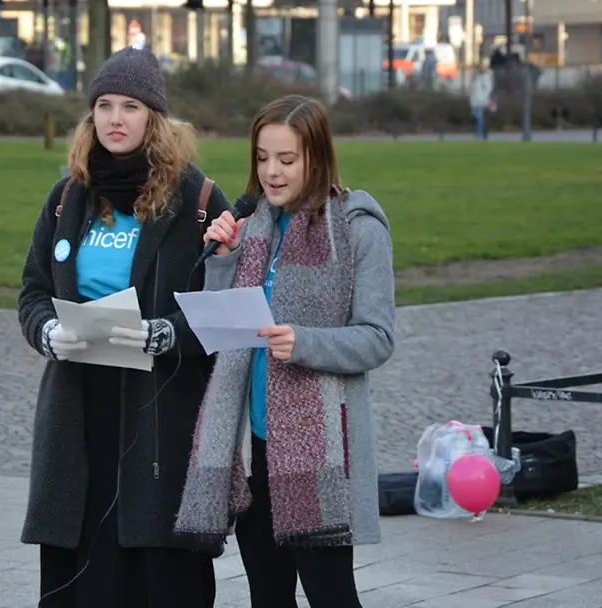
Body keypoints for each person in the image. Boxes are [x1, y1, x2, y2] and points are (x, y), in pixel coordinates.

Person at [17, 47, 232, 608]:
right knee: (80, 559)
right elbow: (33, 292)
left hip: (157, 406)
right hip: (78, 403)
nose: (115, 118)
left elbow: (227, 312)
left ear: (153, 117)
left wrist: (165, 334)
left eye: (130, 106)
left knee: (155, 568)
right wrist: (46, 332)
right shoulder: (68, 196)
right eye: (104, 105)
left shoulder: (198, 202)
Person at [174, 94, 396, 608]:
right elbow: (225, 331)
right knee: (267, 597)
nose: (270, 173)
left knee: (331, 594)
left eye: (287, 160)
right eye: (262, 157)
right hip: (253, 451)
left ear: (317, 157)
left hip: (320, 460)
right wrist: (224, 259)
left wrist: (306, 343)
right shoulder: (254, 228)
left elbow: (378, 337)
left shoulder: (357, 226)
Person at [469, 64, 494, 140]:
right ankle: (482, 131)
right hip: (475, 100)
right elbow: (472, 89)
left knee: (479, 117)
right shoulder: (474, 78)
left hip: (480, 100)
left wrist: (484, 96)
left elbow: (488, 88)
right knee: (477, 116)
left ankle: (479, 133)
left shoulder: (483, 77)